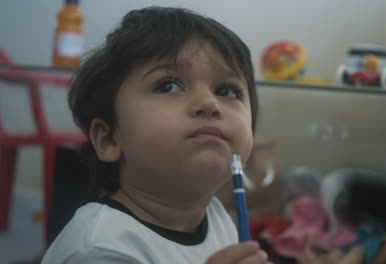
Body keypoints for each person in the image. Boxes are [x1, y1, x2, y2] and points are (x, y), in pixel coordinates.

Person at [42, 6, 268, 264]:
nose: (209, 103)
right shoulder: (98, 248)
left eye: (226, 91)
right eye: (168, 86)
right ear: (109, 139)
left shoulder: (217, 216)